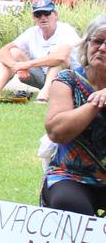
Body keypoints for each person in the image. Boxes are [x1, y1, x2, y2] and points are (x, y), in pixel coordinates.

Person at [42, 15, 106, 215]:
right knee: (71, 207)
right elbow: (57, 132)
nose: (102, 48)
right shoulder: (67, 79)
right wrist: (96, 102)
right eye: (97, 41)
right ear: (87, 44)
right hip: (69, 175)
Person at [0, 0, 78, 102]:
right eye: (38, 14)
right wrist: (16, 66)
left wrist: (27, 65)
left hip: (68, 80)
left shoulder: (66, 30)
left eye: (47, 13)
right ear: (34, 17)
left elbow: (60, 57)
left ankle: (44, 96)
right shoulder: (32, 32)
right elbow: (2, 51)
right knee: (13, 52)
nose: (43, 17)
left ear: (55, 15)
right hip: (42, 76)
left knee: (58, 58)